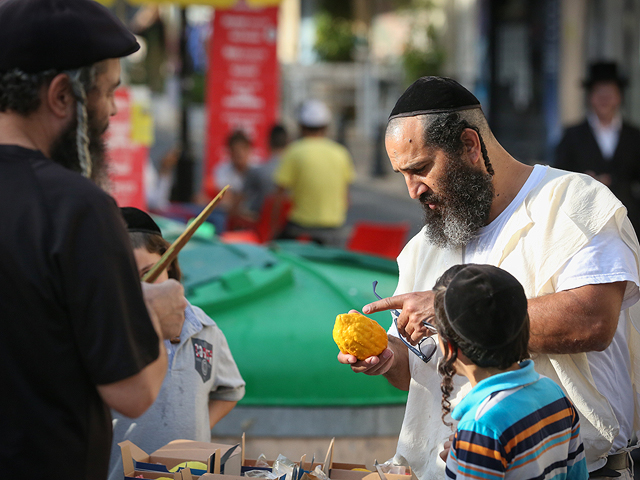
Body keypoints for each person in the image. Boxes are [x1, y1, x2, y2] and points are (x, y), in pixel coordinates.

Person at [337, 76, 640, 479]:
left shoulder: (573, 202)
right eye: (402, 174)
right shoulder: (424, 248)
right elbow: (424, 372)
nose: (412, 190)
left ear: (469, 145)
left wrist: (446, 309)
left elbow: (593, 321)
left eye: (421, 169)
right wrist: (389, 360)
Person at [0, 1, 187, 479]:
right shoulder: (74, 207)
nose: (108, 112)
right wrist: (156, 313)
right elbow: (133, 391)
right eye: (107, 93)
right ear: (63, 96)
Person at [108, 208, 246, 480]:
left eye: (150, 272)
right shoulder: (103, 334)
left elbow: (229, 390)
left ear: (168, 264)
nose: (143, 287)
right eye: (129, 277)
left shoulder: (204, 328)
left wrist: (194, 437)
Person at [432, 264, 588, 479]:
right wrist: (467, 455)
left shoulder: (482, 427)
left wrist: (470, 452)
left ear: (450, 347)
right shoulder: (554, 393)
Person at [556, 61, 640, 231]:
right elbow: (558, 174)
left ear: (619, 96)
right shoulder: (572, 135)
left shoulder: (634, 136)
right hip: (583, 222)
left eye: (609, 92)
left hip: (628, 222)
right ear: (590, 97)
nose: (604, 99)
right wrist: (583, 179)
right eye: (599, 92)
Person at [273, 99, 355, 246]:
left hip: (300, 230)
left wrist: (274, 228)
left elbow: (279, 196)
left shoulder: (293, 151)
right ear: (326, 127)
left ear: (301, 126)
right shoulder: (341, 153)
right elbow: (346, 198)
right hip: (334, 230)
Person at [243, 124, 289, 217]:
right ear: (288, 143)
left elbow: (240, 201)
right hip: (290, 223)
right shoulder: (296, 173)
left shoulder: (258, 171)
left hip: (261, 222)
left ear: (269, 142)